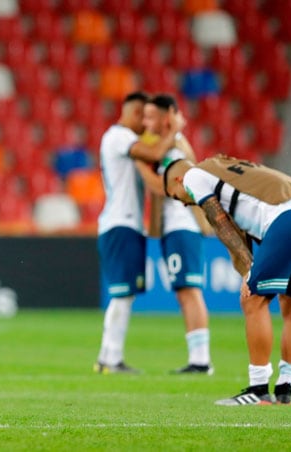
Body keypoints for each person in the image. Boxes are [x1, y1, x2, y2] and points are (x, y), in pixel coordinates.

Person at [164, 155, 291, 405]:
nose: (185, 204)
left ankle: (259, 389)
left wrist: (250, 268)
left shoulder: (194, 176)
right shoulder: (225, 171)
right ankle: (285, 389)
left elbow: (220, 223)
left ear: (179, 179)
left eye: (178, 196)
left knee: (252, 300)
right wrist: (248, 267)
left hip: (289, 219)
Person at [94, 91, 180, 374]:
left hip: (125, 222)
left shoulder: (119, 138)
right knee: (122, 294)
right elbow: (155, 152)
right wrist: (174, 132)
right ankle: (110, 359)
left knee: (125, 294)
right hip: (121, 222)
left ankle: (108, 357)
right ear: (133, 113)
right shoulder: (118, 136)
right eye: (143, 116)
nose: (146, 124)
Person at [139, 94, 212, 375]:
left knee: (189, 291)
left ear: (166, 116)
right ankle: (198, 358)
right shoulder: (170, 146)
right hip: (175, 228)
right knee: (184, 292)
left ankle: (201, 360)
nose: (146, 123)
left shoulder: (175, 151)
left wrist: (140, 168)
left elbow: (162, 187)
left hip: (183, 226)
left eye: (150, 117)